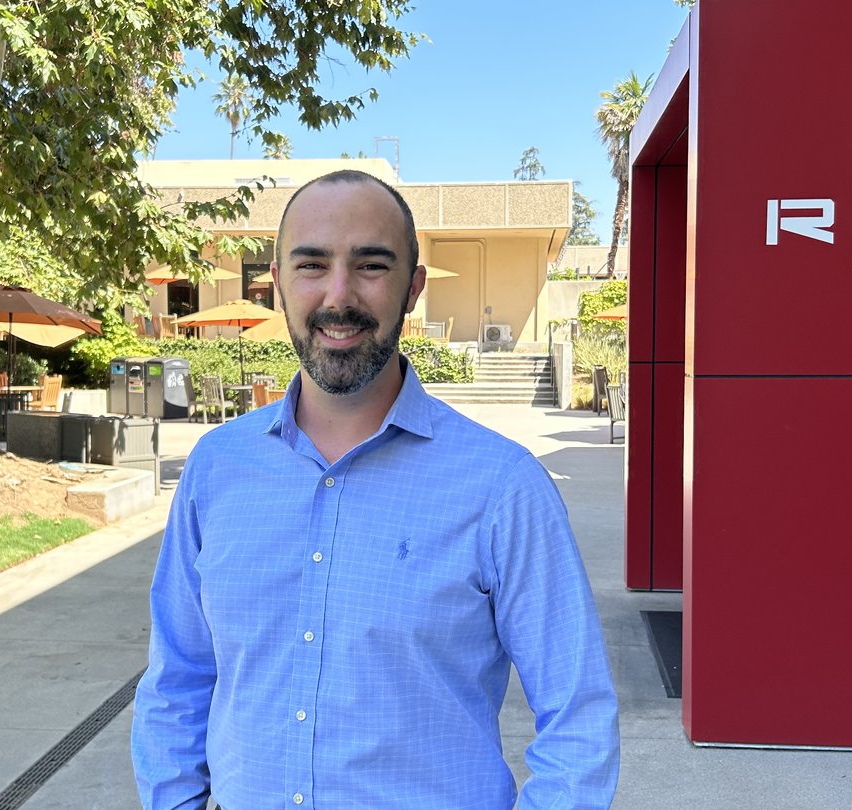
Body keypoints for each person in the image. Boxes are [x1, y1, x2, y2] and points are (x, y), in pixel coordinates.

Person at [132, 170, 619, 809]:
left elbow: (578, 716)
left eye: (371, 265)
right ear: (276, 284)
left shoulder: (502, 489)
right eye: (311, 264)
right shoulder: (216, 470)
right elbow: (178, 681)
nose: (339, 296)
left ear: (412, 288)